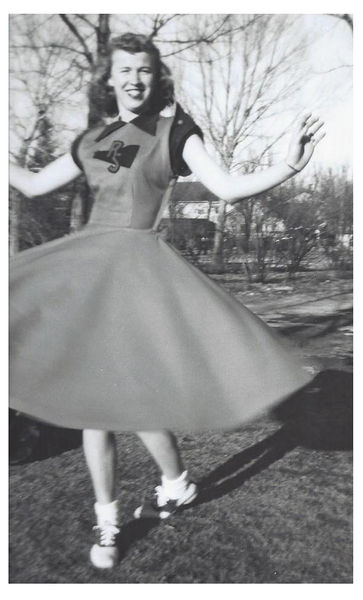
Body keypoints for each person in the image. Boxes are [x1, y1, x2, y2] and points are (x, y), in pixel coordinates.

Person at [9, 33, 325, 570]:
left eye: (145, 70)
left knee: (118, 401)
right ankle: (144, 503)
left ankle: (155, 498)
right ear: (108, 79)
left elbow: (224, 188)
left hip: (137, 280)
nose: (134, 78)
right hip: (87, 278)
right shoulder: (89, 140)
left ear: (158, 79)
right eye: (124, 69)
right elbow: (36, 185)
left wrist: (288, 168)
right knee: (97, 404)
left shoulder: (173, 132)